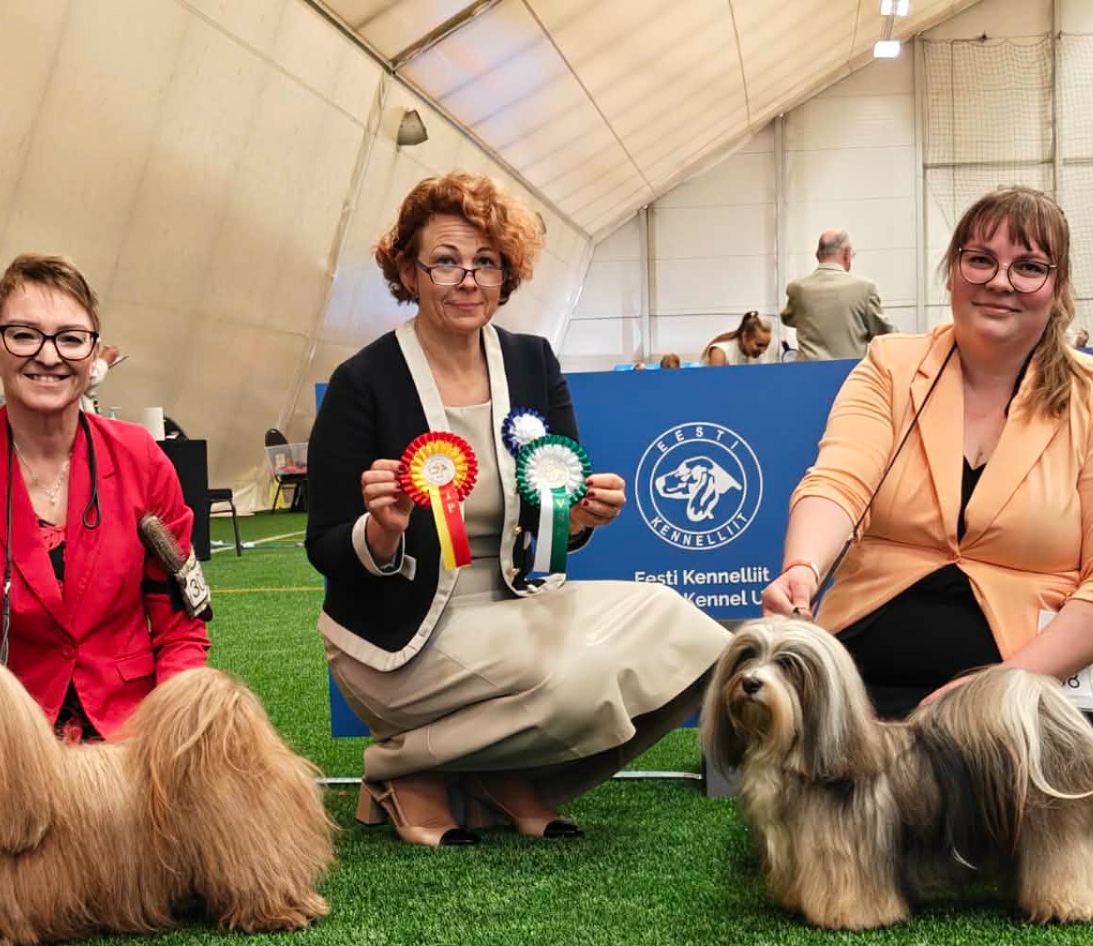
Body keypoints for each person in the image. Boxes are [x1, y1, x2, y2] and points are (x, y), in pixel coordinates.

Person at [306, 172, 729, 847]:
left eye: (486, 262)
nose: (468, 280)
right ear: (408, 273)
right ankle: (402, 766)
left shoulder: (533, 361)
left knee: (694, 636)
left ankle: (487, 773)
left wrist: (581, 518)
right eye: (445, 262)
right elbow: (324, 544)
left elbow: (552, 515)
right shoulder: (363, 380)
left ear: (507, 274)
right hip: (399, 638)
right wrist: (380, 531)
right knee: (581, 680)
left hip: (517, 609)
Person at [760, 185, 1093, 724]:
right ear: (952, 271)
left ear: (1058, 287)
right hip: (862, 675)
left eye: (1029, 267)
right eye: (980, 260)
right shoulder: (891, 365)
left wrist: (1006, 685)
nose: (1000, 281)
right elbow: (838, 480)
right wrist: (803, 567)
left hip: (1025, 690)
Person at [0, 253, 207, 742]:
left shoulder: (143, 459)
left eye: (70, 338)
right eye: (24, 335)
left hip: (133, 738)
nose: (49, 356)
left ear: (93, 356)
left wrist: (172, 733)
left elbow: (181, 629)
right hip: (7, 740)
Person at [780, 229, 892, 361]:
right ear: (847, 254)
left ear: (817, 255)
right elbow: (885, 334)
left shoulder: (797, 289)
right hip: (849, 372)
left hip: (808, 372)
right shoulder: (865, 288)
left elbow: (787, 318)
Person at [706, 311, 777, 364]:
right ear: (744, 336)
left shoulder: (757, 355)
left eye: (766, 346)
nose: (763, 351)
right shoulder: (720, 352)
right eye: (759, 345)